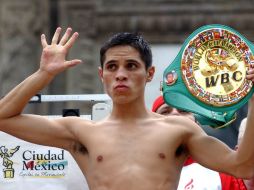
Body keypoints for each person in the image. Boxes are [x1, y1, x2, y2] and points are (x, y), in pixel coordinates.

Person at [0, 27, 254, 190]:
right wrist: (44, 74)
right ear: (102, 75)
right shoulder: (80, 132)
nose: (121, 74)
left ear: (149, 73)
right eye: (112, 67)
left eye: (131, 66)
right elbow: (4, 117)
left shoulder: (179, 130)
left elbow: (243, 167)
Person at [152, 95, 247, 190]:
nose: (175, 114)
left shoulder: (222, 170)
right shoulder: (141, 170)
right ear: (152, 127)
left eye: (183, 111)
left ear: (197, 124)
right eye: (165, 112)